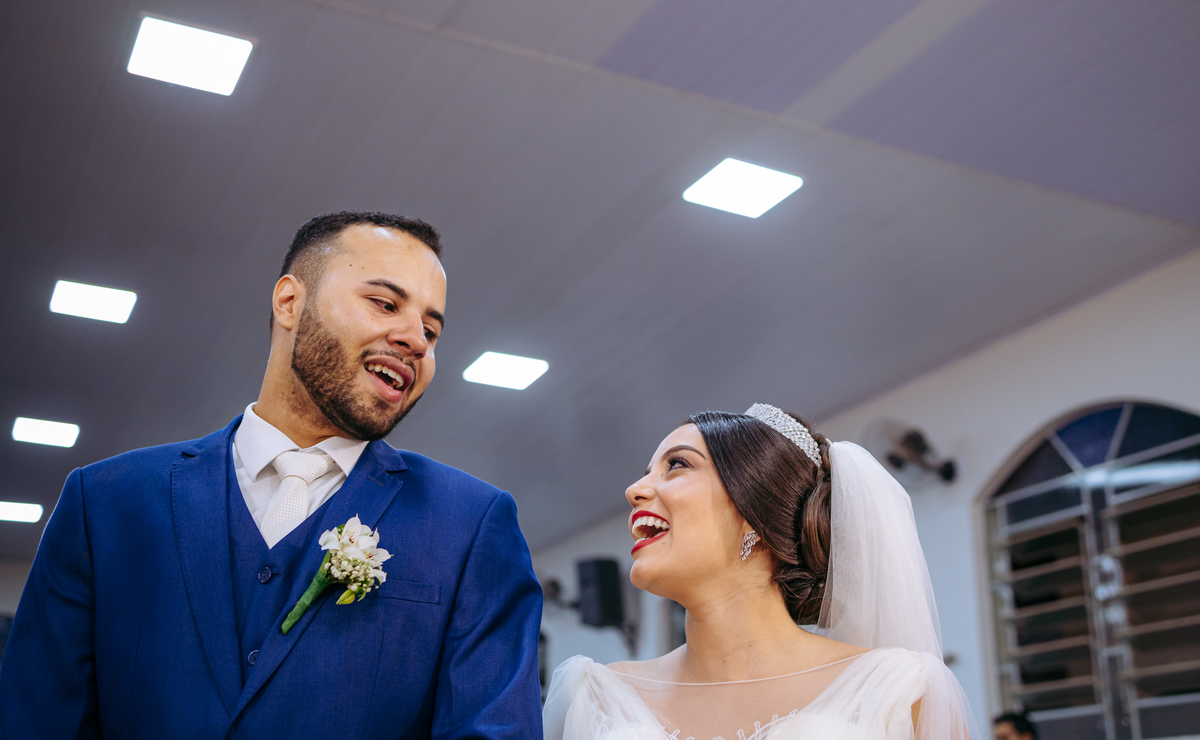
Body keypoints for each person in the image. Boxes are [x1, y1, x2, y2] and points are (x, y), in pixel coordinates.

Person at [0, 212, 544, 738]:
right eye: (385, 304)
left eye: (431, 329)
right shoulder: (105, 502)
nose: (417, 341)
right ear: (289, 302)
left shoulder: (472, 524)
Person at [543, 404, 975, 739]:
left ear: (754, 513)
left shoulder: (899, 690)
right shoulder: (593, 697)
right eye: (644, 474)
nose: (634, 490)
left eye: (677, 465)